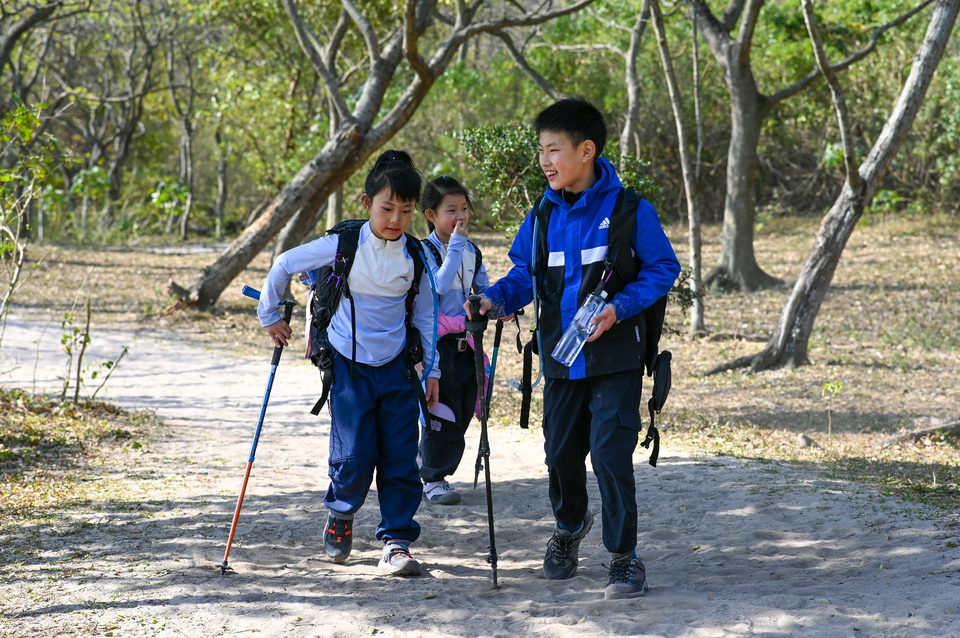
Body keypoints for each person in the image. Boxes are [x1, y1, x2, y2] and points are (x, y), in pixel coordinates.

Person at [468, 98, 680, 598]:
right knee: (560, 454)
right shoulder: (542, 214)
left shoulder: (629, 209)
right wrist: (494, 300)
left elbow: (662, 269)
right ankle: (569, 527)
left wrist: (619, 308)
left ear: (586, 151)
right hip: (561, 358)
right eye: (541, 150)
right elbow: (525, 274)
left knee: (610, 455)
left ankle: (624, 558)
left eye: (553, 150)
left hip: (616, 358)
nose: (544, 161)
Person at [258, 150, 439, 577]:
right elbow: (284, 264)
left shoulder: (416, 257)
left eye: (406, 210)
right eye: (387, 208)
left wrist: (430, 371)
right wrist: (270, 316)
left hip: (397, 368)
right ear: (366, 204)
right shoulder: (342, 244)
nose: (395, 219)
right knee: (354, 454)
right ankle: (341, 515)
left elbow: (426, 316)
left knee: (399, 456)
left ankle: (397, 542)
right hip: (348, 365)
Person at [417, 176, 490, 505]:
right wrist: (457, 245)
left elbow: (482, 287)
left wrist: (495, 306)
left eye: (464, 209)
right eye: (451, 210)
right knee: (440, 411)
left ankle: (427, 463)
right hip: (437, 345)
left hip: (468, 343)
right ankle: (433, 476)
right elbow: (438, 288)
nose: (460, 216)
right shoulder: (424, 250)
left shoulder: (472, 250)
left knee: (462, 408)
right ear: (431, 215)